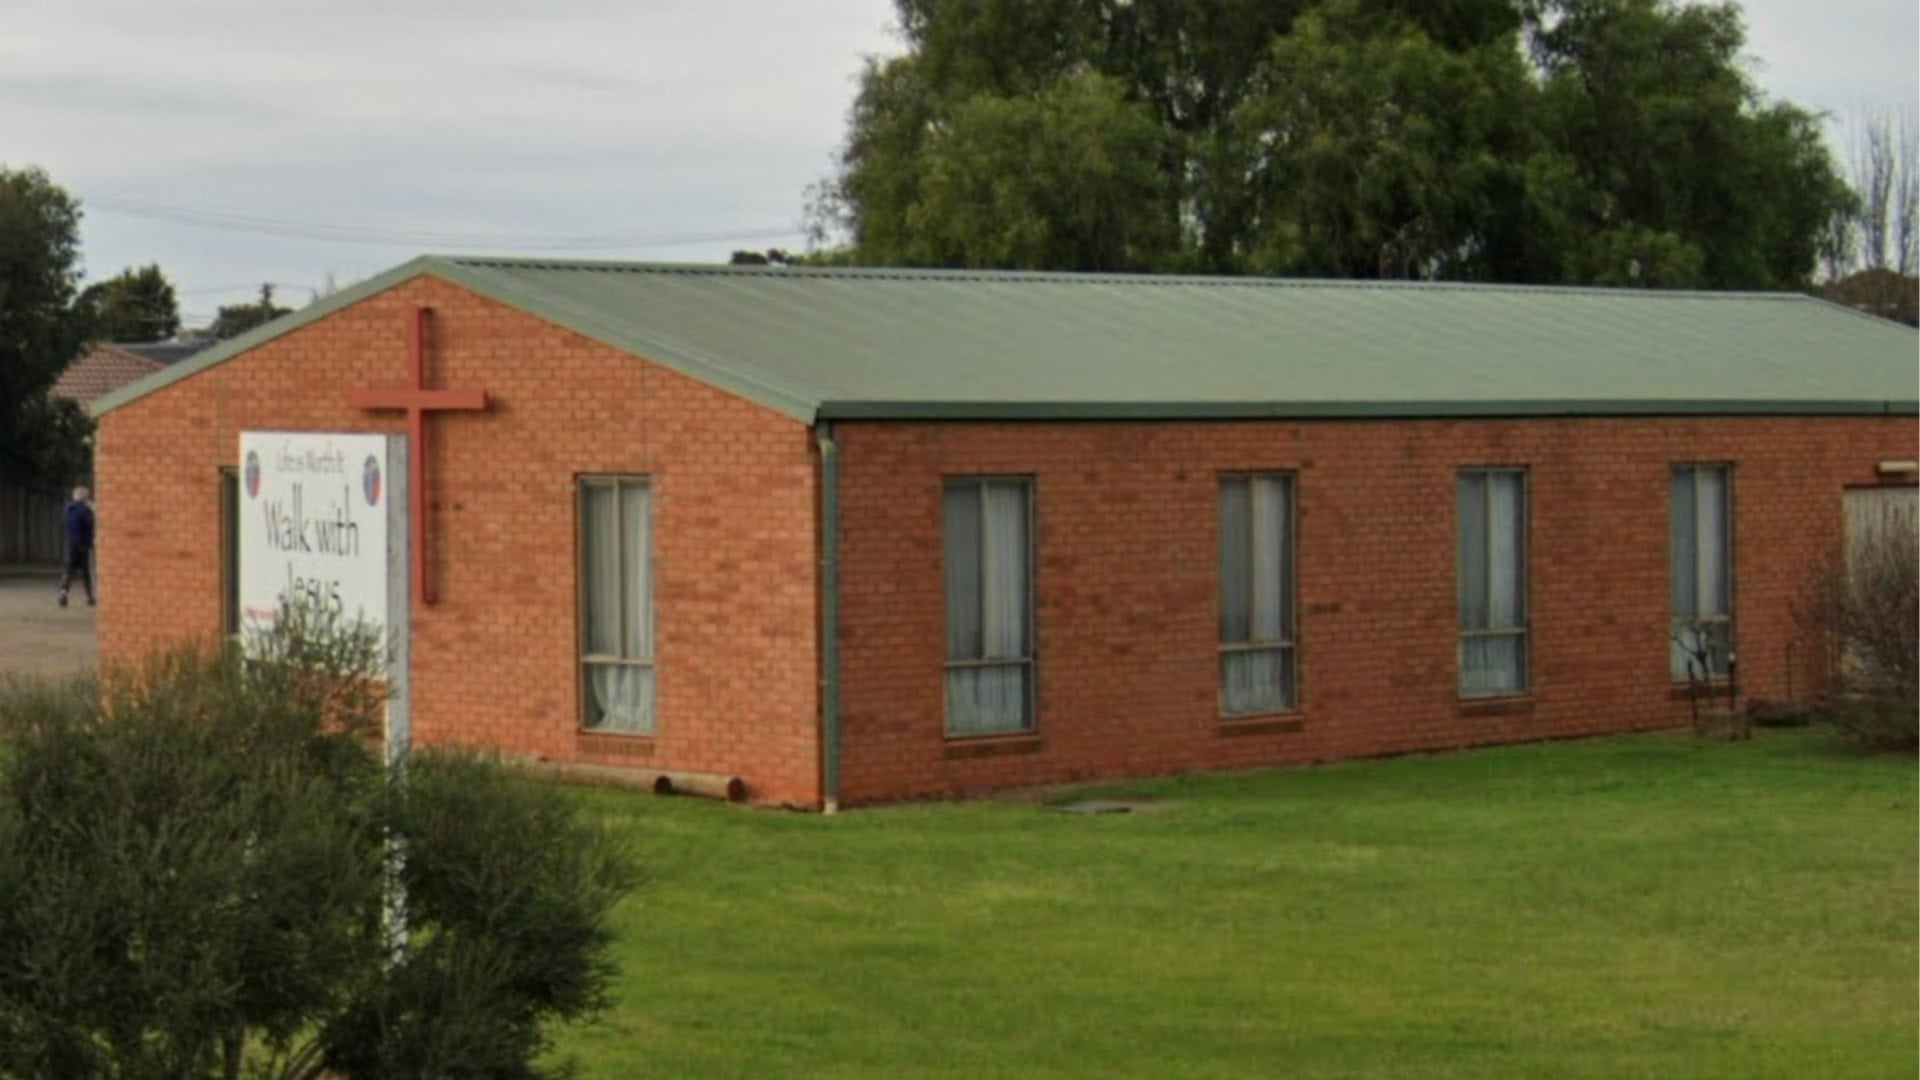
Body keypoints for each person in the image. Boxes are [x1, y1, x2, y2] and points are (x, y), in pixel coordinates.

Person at [58, 485, 95, 608]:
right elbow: (91, 524)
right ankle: (90, 597)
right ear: (84, 497)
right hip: (83, 544)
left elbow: (64, 524)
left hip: (71, 544)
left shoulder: (68, 510)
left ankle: (63, 592)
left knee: (69, 570)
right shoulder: (85, 511)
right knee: (85, 572)